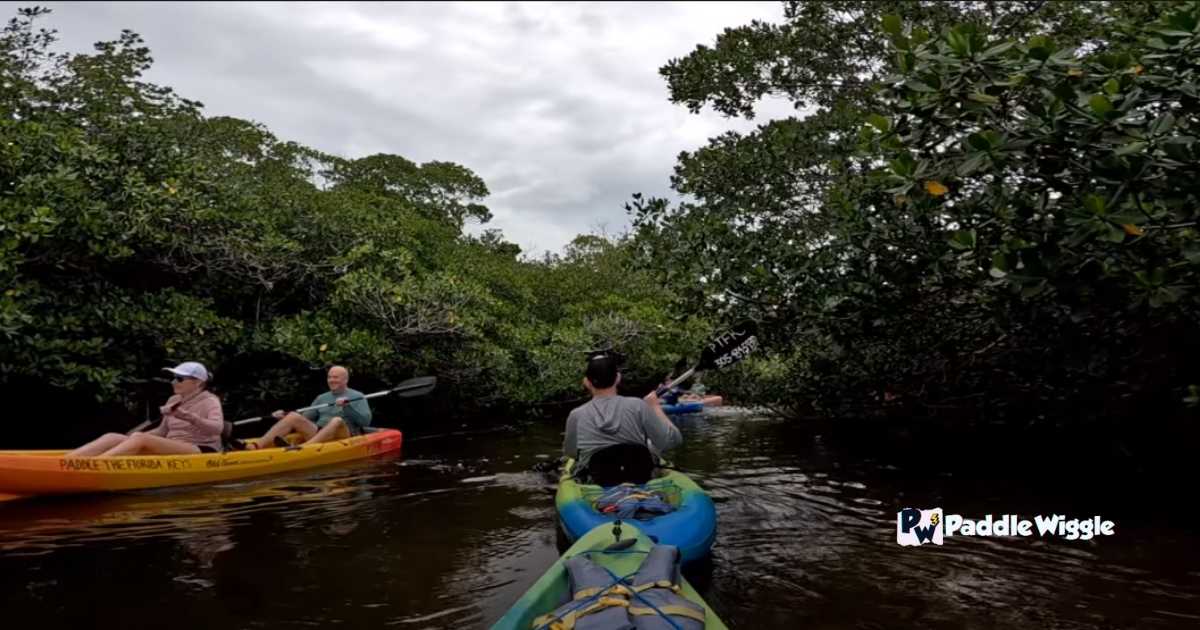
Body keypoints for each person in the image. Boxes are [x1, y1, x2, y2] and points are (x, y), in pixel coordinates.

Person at [563, 352, 682, 486]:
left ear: (586, 382)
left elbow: (571, 453)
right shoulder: (638, 406)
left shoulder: (576, 415)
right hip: (638, 475)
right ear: (618, 378)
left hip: (598, 479)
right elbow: (672, 441)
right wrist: (654, 406)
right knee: (650, 447)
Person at [67, 362, 224, 457]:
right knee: (112, 437)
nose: (174, 382)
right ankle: (67, 461)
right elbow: (162, 431)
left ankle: (96, 466)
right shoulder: (174, 400)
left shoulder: (210, 400)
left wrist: (189, 417)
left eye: (180, 379)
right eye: (173, 378)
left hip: (202, 449)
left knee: (141, 439)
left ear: (197, 382)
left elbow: (217, 429)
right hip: (174, 445)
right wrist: (134, 438)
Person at [248, 365, 372, 448]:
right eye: (329, 377)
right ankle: (256, 446)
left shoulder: (357, 396)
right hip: (319, 432)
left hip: (343, 435)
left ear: (345, 380)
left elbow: (365, 421)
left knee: (337, 420)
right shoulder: (321, 397)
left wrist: (347, 407)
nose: (331, 380)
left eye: (335, 377)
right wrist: (283, 417)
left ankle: (304, 448)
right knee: (293, 416)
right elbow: (305, 419)